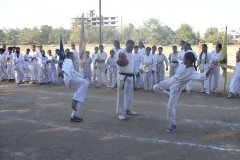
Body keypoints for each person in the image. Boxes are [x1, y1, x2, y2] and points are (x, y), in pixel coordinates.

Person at [153, 52, 217, 132]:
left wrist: (210, 68)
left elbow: (201, 76)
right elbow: (179, 62)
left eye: (184, 58)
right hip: (170, 81)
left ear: (189, 61)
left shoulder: (192, 72)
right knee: (155, 87)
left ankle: (173, 125)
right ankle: (167, 94)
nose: (183, 59)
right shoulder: (182, 64)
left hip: (177, 88)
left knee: (170, 108)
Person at [58, 52, 89, 122]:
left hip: (69, 81)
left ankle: (74, 115)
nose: (73, 58)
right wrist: (62, 72)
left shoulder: (67, 61)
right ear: (68, 56)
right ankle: (74, 99)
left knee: (79, 98)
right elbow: (66, 67)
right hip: (70, 79)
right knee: (86, 83)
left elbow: (73, 71)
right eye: (72, 56)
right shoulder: (68, 60)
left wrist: (81, 76)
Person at [115, 40, 140, 120]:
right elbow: (118, 57)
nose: (131, 48)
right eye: (129, 46)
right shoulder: (121, 51)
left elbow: (133, 64)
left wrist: (136, 72)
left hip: (130, 76)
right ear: (126, 45)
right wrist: (120, 56)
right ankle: (120, 113)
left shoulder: (131, 55)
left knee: (129, 94)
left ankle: (128, 109)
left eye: (132, 47)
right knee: (121, 96)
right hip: (122, 77)